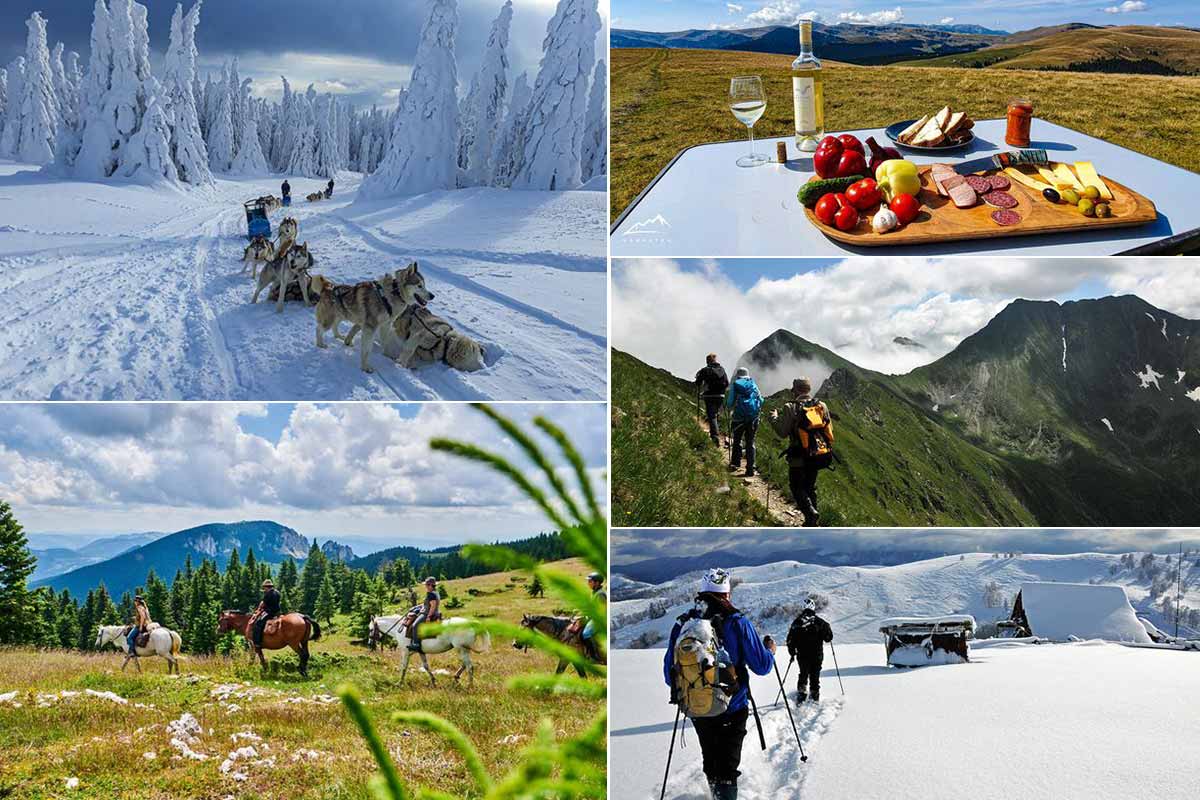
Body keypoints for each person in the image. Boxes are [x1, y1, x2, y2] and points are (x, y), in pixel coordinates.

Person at [664, 568, 775, 800]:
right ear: (727, 594)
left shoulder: (684, 624)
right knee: (727, 768)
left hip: (697, 705)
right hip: (732, 706)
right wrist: (770, 651)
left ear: (702, 593)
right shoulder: (737, 621)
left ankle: (716, 794)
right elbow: (762, 666)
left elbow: (669, 674)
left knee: (711, 760)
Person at [768, 377, 834, 526]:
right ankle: (812, 522)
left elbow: (782, 432)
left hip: (798, 455)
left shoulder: (790, 407)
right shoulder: (822, 405)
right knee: (810, 486)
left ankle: (810, 513)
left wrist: (773, 418)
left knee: (796, 486)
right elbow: (828, 428)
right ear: (808, 389)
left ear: (795, 390)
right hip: (816, 453)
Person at [785, 599, 833, 702]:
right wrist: (827, 630)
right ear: (813, 607)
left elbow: (790, 640)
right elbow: (828, 638)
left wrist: (792, 653)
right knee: (815, 676)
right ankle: (814, 698)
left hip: (802, 655)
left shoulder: (797, 622)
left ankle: (801, 696)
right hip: (817, 655)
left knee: (803, 674)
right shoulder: (820, 622)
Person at [725, 367, 763, 477]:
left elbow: (730, 402)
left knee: (737, 440)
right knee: (750, 442)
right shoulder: (753, 384)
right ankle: (750, 468)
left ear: (738, 375)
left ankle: (735, 463)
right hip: (753, 419)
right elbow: (761, 400)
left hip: (739, 418)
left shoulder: (736, 385)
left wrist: (730, 407)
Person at [695, 354, 730, 446]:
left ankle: (715, 438)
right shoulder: (722, 369)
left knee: (712, 416)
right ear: (715, 360)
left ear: (707, 361)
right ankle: (716, 432)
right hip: (720, 396)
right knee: (715, 414)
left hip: (709, 395)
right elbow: (727, 383)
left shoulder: (705, 370)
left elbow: (698, 382)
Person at [408, 577, 442, 652]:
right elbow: (427, 604)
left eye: (426, 585)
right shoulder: (435, 593)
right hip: (430, 611)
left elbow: (433, 606)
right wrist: (416, 607)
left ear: (430, 585)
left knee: (415, 625)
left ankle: (416, 644)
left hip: (427, 613)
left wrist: (429, 616)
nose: (425, 587)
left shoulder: (431, 594)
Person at [580, 572, 606, 661]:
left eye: (590, 581)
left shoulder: (600, 594)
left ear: (597, 583)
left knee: (586, 633)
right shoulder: (594, 593)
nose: (588, 583)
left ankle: (593, 656)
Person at [251, 579, 282, 649]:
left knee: (258, 624)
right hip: (277, 612)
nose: (264, 589)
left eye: (264, 587)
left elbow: (264, 604)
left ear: (266, 587)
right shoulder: (277, 592)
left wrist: (259, 610)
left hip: (269, 613)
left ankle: (257, 643)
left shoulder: (268, 594)